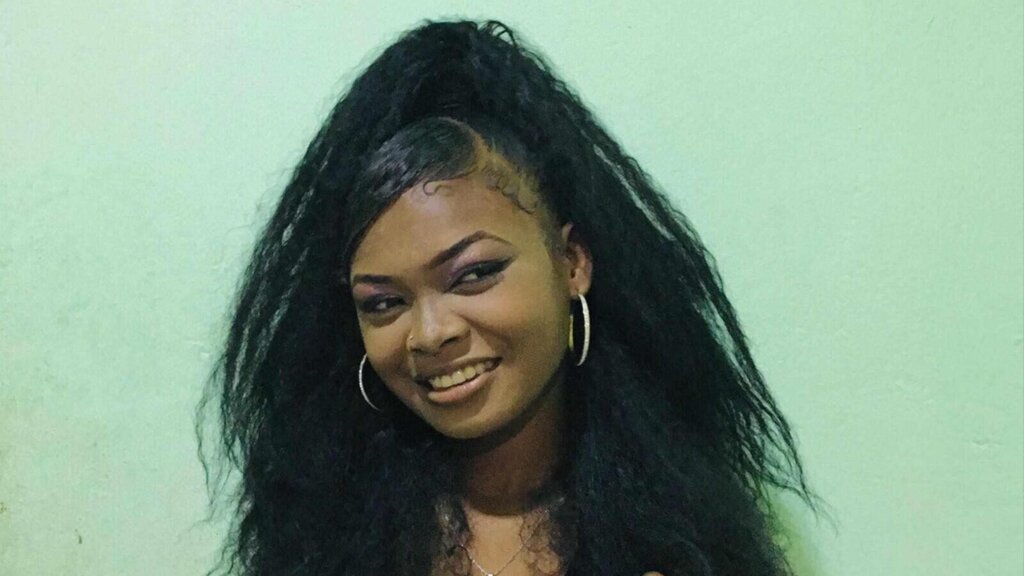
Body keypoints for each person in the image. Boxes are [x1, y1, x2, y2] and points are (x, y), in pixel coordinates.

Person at [201, 19, 817, 576]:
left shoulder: (679, 537)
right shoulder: (322, 543)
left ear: (571, 263)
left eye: (473, 274)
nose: (430, 333)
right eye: (383, 303)